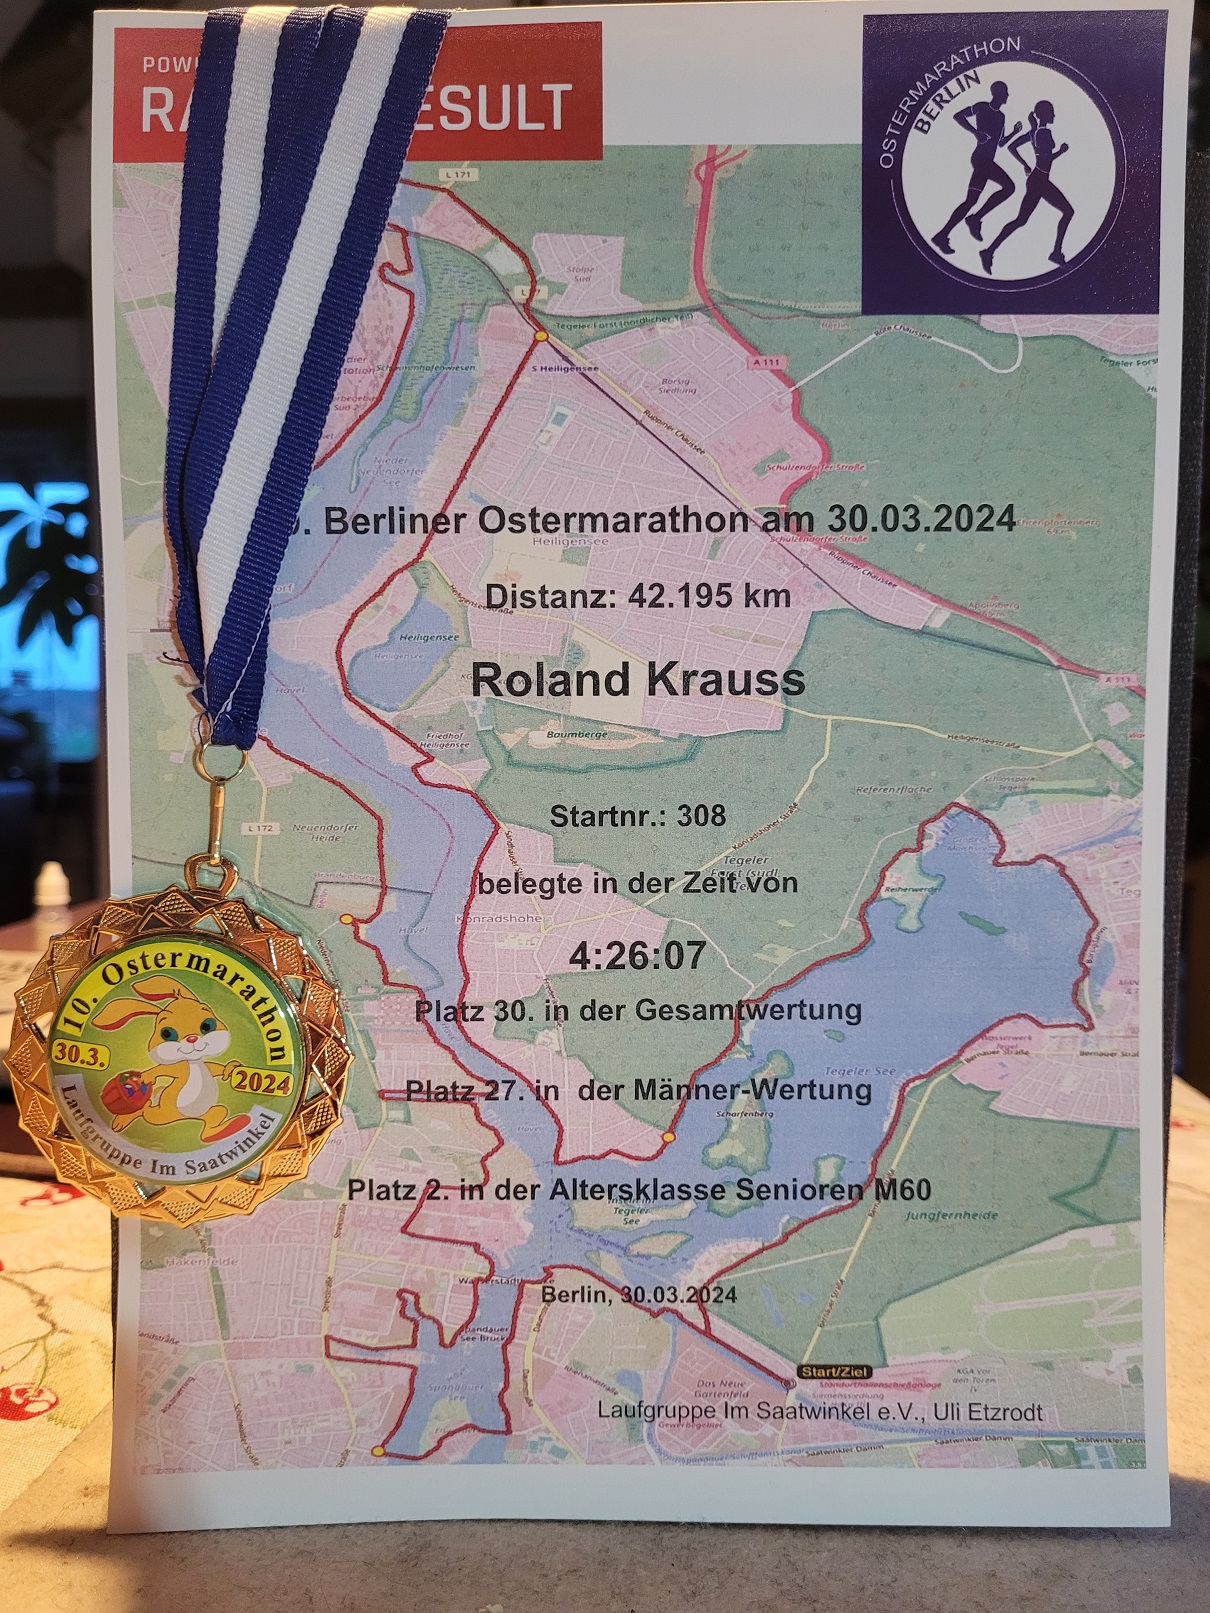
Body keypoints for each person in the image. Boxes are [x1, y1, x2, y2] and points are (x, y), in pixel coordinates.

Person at [979, 100, 1074, 273]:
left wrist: (1025, 164)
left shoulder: (1035, 132)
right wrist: (1060, 152)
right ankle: (989, 251)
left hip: (1039, 179)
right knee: (1024, 219)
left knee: (1062, 213)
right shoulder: (1042, 133)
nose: (1054, 115)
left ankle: (1056, 253)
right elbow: (1045, 159)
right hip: (1039, 181)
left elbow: (1012, 147)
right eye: (1051, 111)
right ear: (1045, 114)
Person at [931, 81, 1022, 255]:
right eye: (1005, 92)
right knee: (1007, 188)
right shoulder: (982, 107)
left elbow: (1000, 143)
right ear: (997, 93)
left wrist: (1014, 133)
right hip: (981, 159)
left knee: (973, 200)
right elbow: (958, 116)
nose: (1007, 96)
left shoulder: (1001, 117)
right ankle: (972, 220)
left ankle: (944, 234)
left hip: (987, 161)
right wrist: (975, 132)